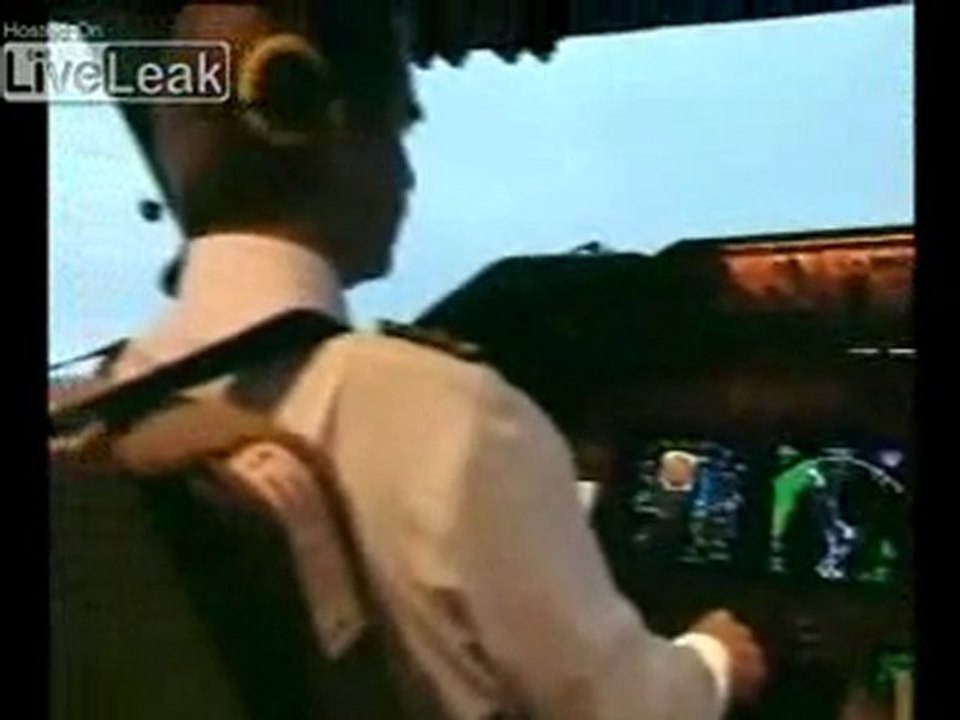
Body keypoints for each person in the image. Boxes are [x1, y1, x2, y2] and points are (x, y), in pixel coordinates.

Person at [76, 2, 767, 717]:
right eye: (401, 129)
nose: (406, 178)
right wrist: (714, 658)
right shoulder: (448, 414)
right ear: (331, 128)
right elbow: (623, 708)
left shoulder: (98, 420)